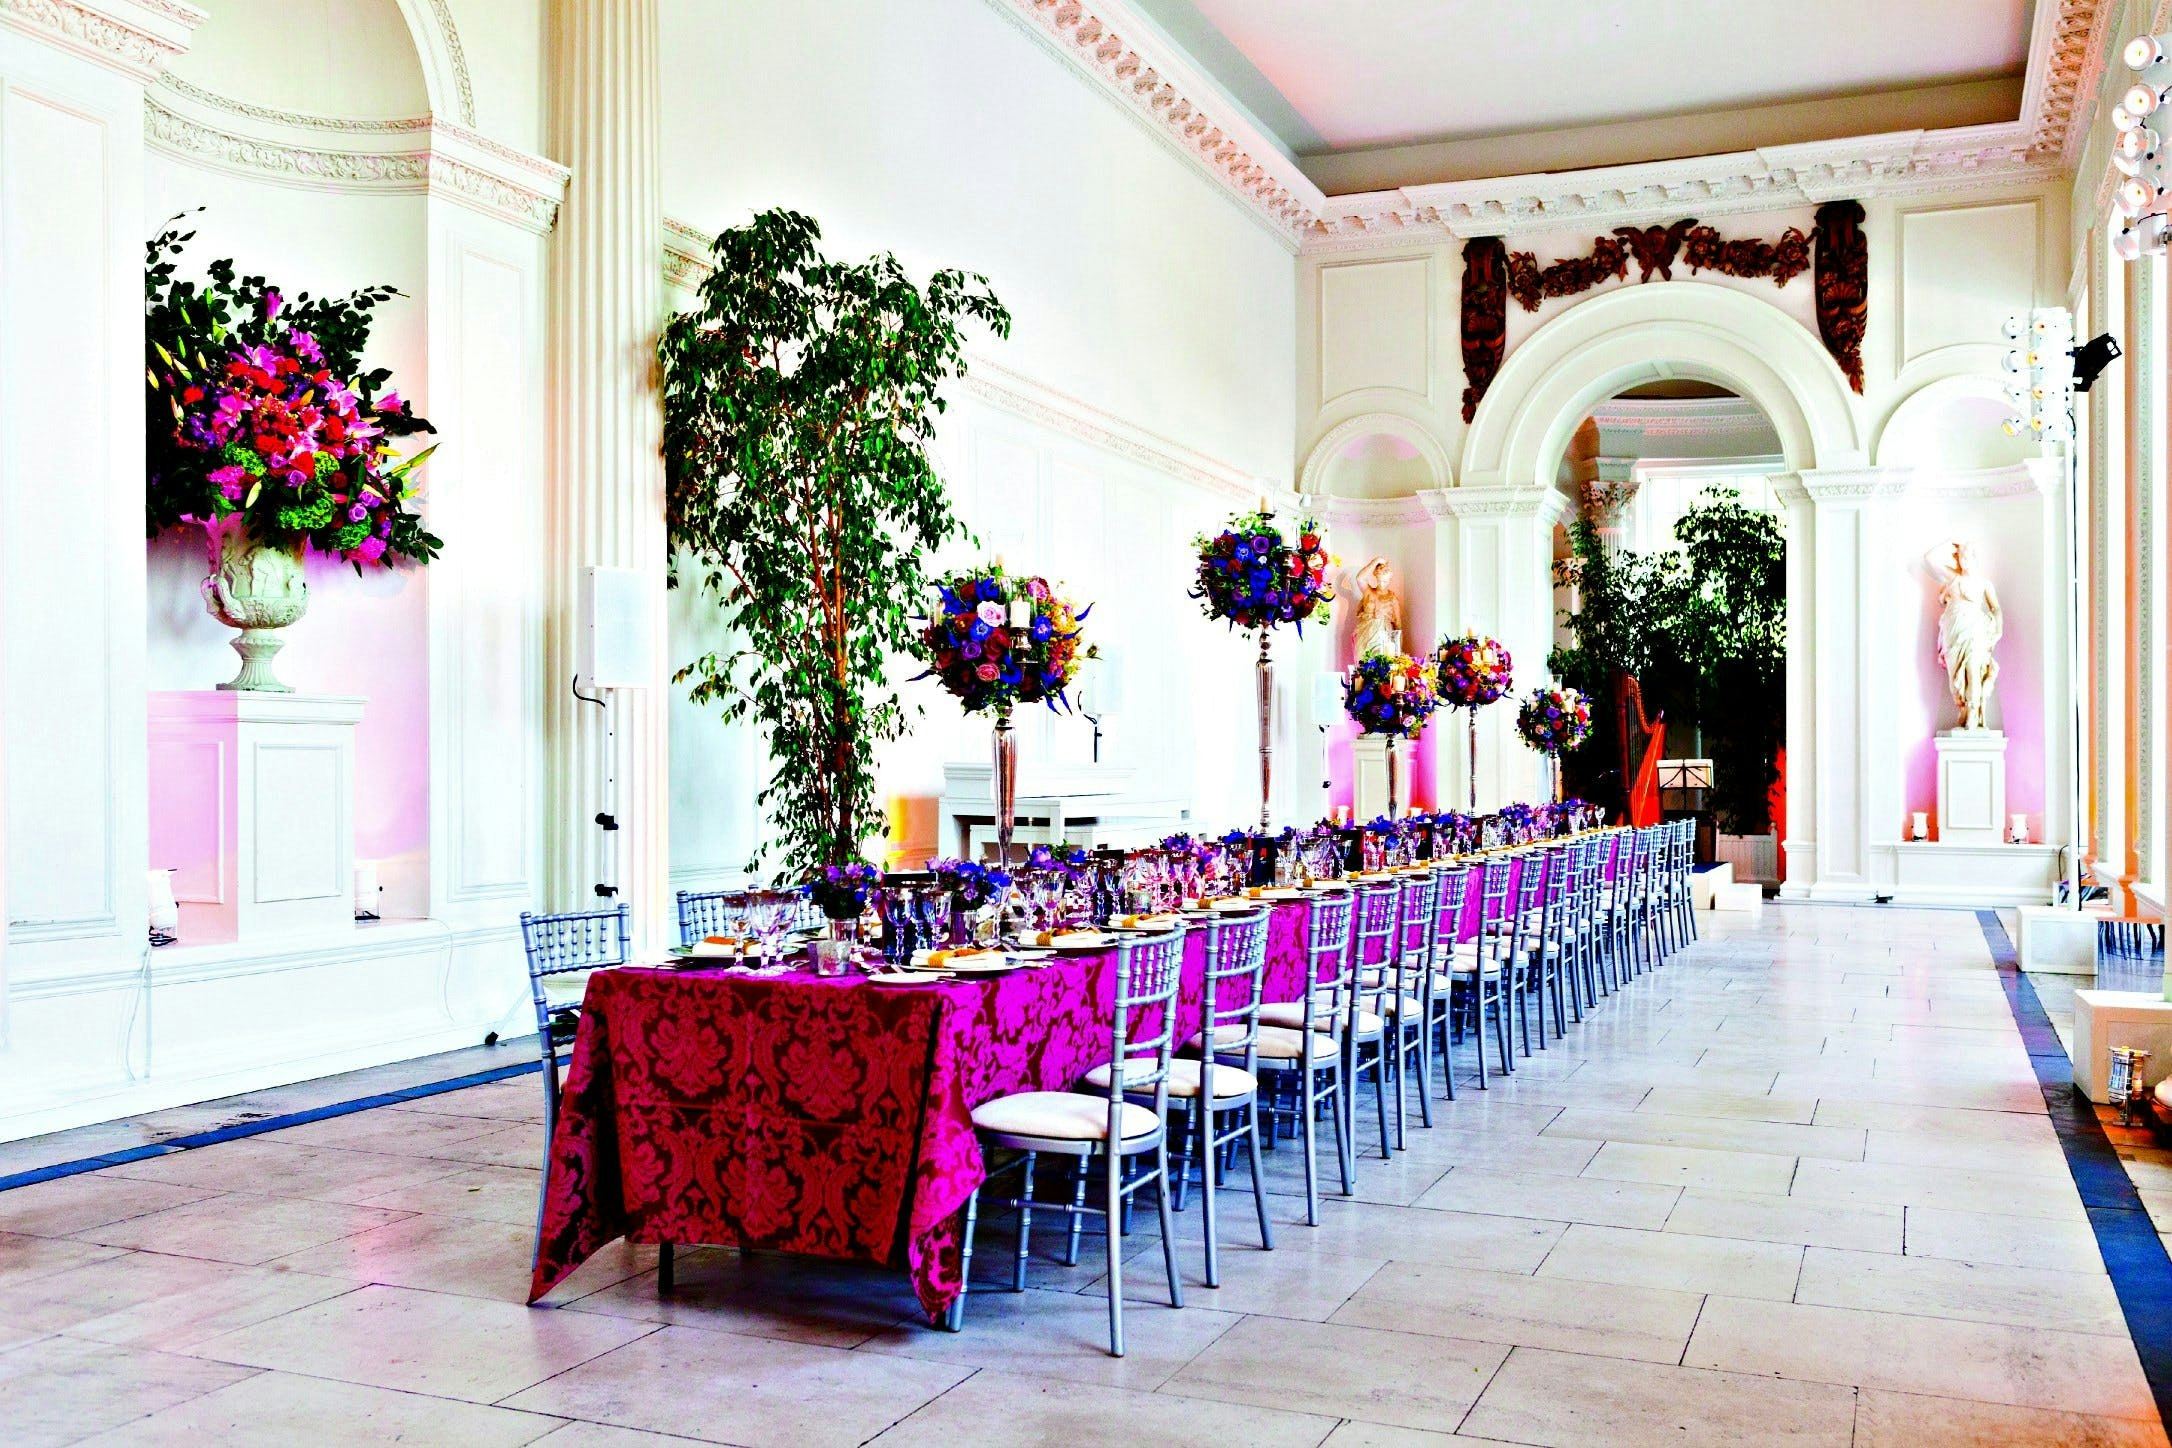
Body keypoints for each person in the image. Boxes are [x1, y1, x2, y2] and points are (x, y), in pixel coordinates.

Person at [1927, 542, 2001, 730]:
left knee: (1973, 671)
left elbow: (1995, 608)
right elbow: (1930, 559)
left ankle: (1973, 715)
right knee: (1955, 680)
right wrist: (1948, 544)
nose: (1965, 561)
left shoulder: (1984, 584)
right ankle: (1963, 711)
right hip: (1953, 632)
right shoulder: (1954, 578)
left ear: (1975, 559)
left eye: (1968, 557)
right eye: (1962, 558)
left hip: (1974, 631)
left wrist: (1997, 629)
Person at [1351, 556, 1402, 659]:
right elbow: (1359, 578)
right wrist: (1376, 561)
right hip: (1366, 634)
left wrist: (1398, 650)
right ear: (1376, 578)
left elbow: (1398, 625)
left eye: (1385, 581)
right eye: (1380, 581)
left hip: (1383, 634)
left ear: (1389, 580)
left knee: (1381, 663)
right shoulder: (1369, 592)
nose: (1383, 584)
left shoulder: (1392, 598)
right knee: (1363, 666)